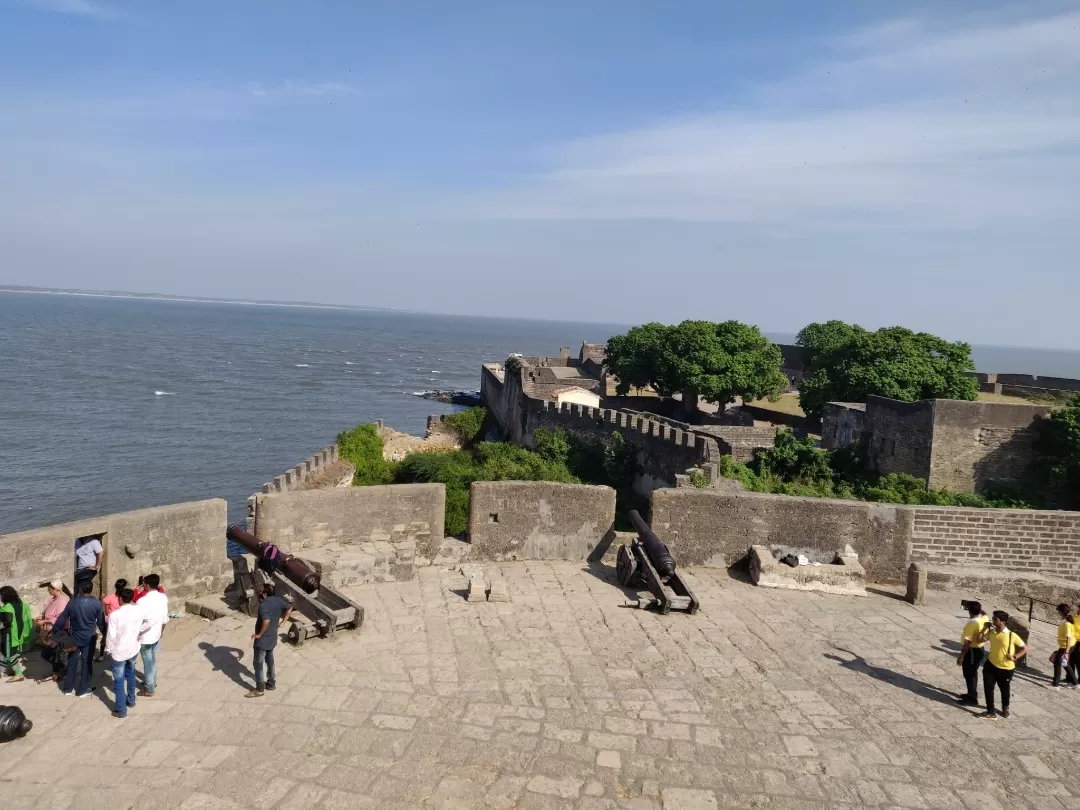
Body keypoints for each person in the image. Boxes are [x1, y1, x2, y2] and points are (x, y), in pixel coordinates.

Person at [46, 578, 105, 696]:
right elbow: (101, 623)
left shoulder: (72, 603)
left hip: (74, 637)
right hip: (90, 637)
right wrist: (105, 635)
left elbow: (62, 619)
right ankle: (83, 689)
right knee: (86, 663)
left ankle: (67, 688)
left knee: (72, 662)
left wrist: (54, 632)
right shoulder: (97, 604)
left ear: (81, 590)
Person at [245, 581, 292, 698]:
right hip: (272, 638)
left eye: (261, 592)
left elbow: (266, 621)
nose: (260, 593)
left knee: (258, 664)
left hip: (263, 641)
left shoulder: (264, 605)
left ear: (265, 594)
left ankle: (260, 689)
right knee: (270, 661)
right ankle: (271, 683)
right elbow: (290, 607)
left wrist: (259, 635)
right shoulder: (278, 600)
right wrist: (283, 622)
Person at [978, 610, 1027, 719]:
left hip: (1005, 668)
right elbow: (979, 639)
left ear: (1002, 622)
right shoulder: (992, 632)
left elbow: (1024, 648)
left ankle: (1005, 707)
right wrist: (985, 628)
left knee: (1004, 689)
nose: (993, 621)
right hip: (990, 665)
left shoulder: (1011, 635)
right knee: (988, 688)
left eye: (996, 619)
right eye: (993, 618)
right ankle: (990, 711)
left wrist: (1015, 657)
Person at [104, 588, 142, 718]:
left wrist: (108, 650)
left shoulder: (115, 615)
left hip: (119, 651)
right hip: (133, 649)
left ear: (120, 599)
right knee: (130, 673)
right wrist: (139, 634)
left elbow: (111, 636)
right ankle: (131, 700)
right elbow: (146, 623)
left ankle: (121, 710)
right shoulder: (138, 610)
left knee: (119, 680)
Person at [135, 573, 168, 697]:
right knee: (152, 659)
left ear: (147, 585)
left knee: (148, 662)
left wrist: (137, 632)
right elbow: (165, 618)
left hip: (145, 636)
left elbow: (139, 620)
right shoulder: (163, 597)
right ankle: (152, 681)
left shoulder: (142, 601)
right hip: (156, 633)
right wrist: (161, 631)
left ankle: (149, 688)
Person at [34, 580, 71, 683]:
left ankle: (61, 672)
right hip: (49, 631)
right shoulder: (53, 599)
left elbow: (60, 619)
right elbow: (47, 612)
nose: (48, 591)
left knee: (57, 654)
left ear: (57, 590)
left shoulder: (63, 601)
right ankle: (57, 671)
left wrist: (44, 621)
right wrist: (40, 618)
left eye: (50, 590)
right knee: (49, 654)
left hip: (59, 631)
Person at [955, 601, 988, 705]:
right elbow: (985, 614)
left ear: (969, 611)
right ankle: (970, 693)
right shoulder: (983, 619)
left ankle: (972, 698)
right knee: (972, 673)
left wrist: (962, 655)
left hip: (972, 651)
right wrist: (978, 608)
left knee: (970, 674)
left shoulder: (971, 624)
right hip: (979, 650)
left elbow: (968, 641)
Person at [0, 586, 34, 683]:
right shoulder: (21, 603)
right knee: (8, 652)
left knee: (9, 654)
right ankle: (5, 671)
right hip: (18, 632)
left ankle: (18, 674)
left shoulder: (7, 607)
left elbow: (8, 621)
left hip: (9, 635)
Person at [97, 578, 127, 662]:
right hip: (121, 621)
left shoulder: (110, 597)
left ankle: (101, 656)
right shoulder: (125, 597)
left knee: (105, 637)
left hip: (110, 621)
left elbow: (106, 611)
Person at [1051, 603, 1078, 689]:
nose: (1057, 612)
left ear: (1061, 612)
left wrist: (1066, 652)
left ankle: (1055, 684)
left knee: (1057, 663)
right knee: (1064, 663)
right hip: (1065, 646)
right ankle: (1075, 683)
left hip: (1066, 646)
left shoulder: (1067, 624)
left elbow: (1069, 638)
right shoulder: (1066, 621)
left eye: (1058, 610)